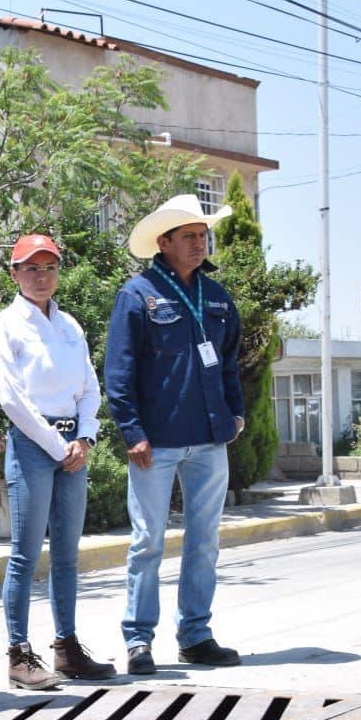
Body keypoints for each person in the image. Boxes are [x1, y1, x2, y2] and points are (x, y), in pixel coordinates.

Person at [104, 194, 246, 676]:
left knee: (204, 541)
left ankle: (196, 637)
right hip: (155, 442)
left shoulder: (219, 297)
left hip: (210, 439)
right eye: (188, 236)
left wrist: (237, 414)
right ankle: (139, 641)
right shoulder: (138, 294)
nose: (198, 243)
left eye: (203, 235)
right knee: (147, 542)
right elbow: (119, 372)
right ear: (162, 242)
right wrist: (132, 431)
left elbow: (229, 364)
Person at [0, 234, 116, 690]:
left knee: (67, 554)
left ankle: (67, 648)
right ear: (14, 273)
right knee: (25, 553)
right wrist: (59, 447)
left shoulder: (69, 325)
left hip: (71, 445)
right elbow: (12, 398)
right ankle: (19, 653)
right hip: (32, 444)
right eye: (31, 268)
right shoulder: (5, 325)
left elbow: (90, 387)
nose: (42, 277)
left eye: (50, 267)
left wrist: (85, 437)